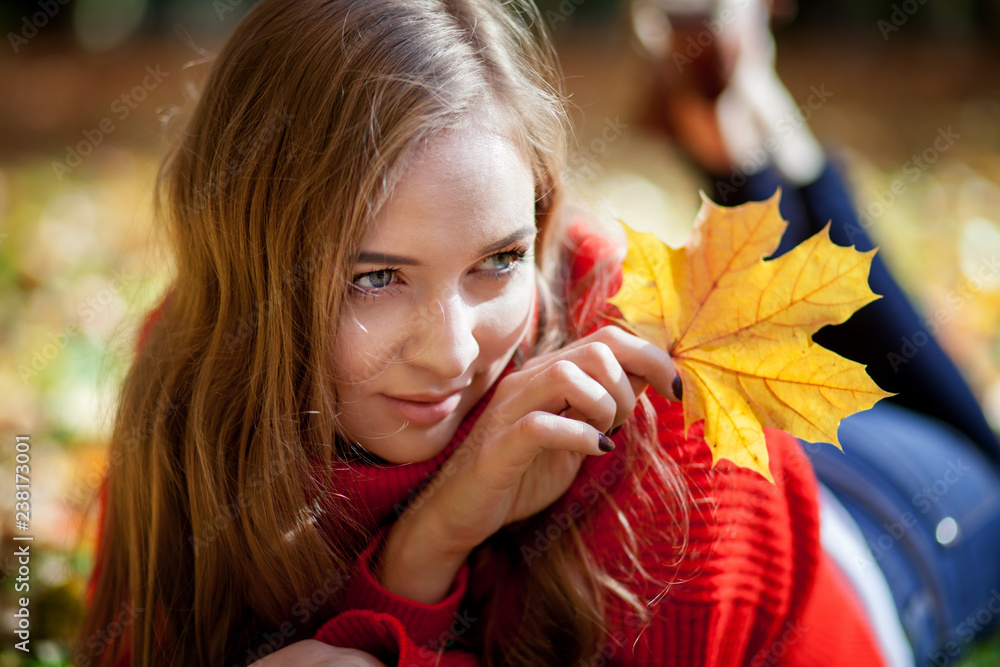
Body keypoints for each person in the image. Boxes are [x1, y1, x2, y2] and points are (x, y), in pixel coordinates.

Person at [72, 1, 992, 666]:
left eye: (500, 260)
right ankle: (743, 134)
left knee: (979, 453)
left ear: (543, 226)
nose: (456, 352)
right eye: (376, 277)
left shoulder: (662, 444)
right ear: (252, 262)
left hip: (895, 538)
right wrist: (428, 543)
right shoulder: (194, 372)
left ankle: (754, 138)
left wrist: (392, 596)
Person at [629, 1, 1000, 666]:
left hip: (797, 493)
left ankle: (744, 126)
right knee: (979, 458)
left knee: (840, 330)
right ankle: (749, 125)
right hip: (854, 531)